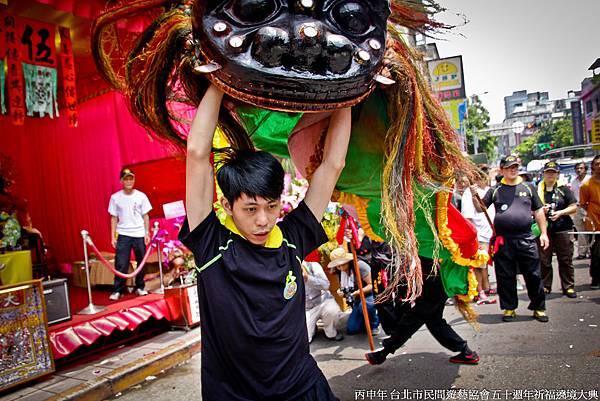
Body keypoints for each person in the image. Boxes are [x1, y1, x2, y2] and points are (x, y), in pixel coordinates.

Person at [178, 84, 351, 401]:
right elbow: (197, 154)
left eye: (271, 206)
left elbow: (332, 165)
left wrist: (349, 91)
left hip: (304, 388)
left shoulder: (292, 238)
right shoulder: (212, 244)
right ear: (228, 206)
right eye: (250, 209)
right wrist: (219, 82)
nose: (263, 220)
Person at [473, 155, 550, 323]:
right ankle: (509, 308)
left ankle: (539, 307)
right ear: (502, 170)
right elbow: (480, 208)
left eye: (515, 166)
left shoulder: (528, 187)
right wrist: (474, 194)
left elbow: (538, 211)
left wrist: (543, 233)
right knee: (505, 275)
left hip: (526, 238)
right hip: (504, 241)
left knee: (533, 274)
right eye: (508, 167)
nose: (512, 170)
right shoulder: (495, 190)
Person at [365, 256, 480, 366]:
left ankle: (383, 353)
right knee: (434, 321)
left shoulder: (430, 240)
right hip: (435, 282)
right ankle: (465, 351)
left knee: (413, 319)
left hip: (434, 282)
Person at [108, 168, 152, 300]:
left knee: (141, 261)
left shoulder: (141, 196)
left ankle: (140, 287)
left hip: (139, 233)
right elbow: (114, 218)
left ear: (134, 179)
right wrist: (113, 236)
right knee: (121, 263)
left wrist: (146, 232)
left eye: (131, 178)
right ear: (121, 181)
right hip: (123, 234)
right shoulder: (115, 198)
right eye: (126, 178)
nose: (128, 181)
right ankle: (118, 290)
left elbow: (146, 216)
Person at [537, 161, 578, 298]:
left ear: (557, 174)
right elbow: (531, 209)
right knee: (544, 260)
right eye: (548, 172)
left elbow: (574, 206)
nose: (550, 175)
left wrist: (561, 212)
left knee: (565, 259)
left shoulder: (564, 189)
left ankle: (568, 286)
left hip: (562, 227)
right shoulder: (538, 190)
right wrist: (541, 210)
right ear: (543, 174)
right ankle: (546, 286)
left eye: (553, 172)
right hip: (544, 229)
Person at [461, 168, 496, 304]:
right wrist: (472, 237)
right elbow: (468, 218)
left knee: (483, 264)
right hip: (479, 235)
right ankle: (479, 292)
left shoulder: (488, 191)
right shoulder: (468, 194)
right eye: (479, 175)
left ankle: (485, 288)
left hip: (488, 235)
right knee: (478, 265)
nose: (482, 178)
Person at [328, 247, 379, 335]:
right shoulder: (339, 271)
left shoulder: (360, 265)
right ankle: (363, 318)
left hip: (368, 296)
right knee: (352, 329)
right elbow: (345, 289)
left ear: (348, 261)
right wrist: (341, 292)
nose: (340, 267)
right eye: (337, 265)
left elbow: (371, 285)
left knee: (366, 305)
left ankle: (374, 323)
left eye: (342, 264)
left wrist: (359, 292)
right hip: (356, 300)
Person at [303, 261, 344, 342]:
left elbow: (326, 285)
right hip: (306, 308)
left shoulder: (313, 266)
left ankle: (331, 332)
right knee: (305, 340)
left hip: (323, 301)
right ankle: (313, 328)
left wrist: (307, 278)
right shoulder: (288, 273)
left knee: (332, 311)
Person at [578, 155, 600, 290]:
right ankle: (596, 279)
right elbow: (583, 204)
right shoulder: (587, 185)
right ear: (593, 166)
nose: (599, 166)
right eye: (597, 164)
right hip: (595, 224)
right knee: (597, 253)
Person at [571, 162, 591, 259]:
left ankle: (592, 251)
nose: (579, 170)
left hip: (589, 207)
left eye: (581, 168)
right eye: (577, 168)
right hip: (578, 208)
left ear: (585, 169)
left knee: (592, 230)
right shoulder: (574, 182)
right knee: (580, 231)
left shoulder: (590, 180)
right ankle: (582, 252)